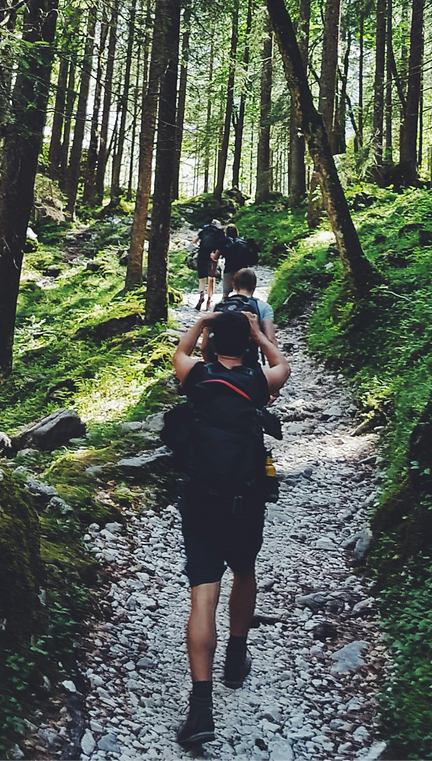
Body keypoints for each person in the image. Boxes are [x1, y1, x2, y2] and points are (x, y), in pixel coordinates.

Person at [171, 311, 291, 748]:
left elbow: (179, 352)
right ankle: (235, 659)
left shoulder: (197, 377)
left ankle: (201, 708)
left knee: (203, 593)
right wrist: (261, 334)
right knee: (244, 570)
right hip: (246, 498)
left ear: (212, 342)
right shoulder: (260, 383)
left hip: (201, 498)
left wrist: (202, 323)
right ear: (248, 347)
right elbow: (283, 366)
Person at [200, 267, 277, 367]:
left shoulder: (218, 307)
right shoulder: (264, 307)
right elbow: (270, 339)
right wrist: (274, 368)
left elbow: (204, 345)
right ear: (254, 287)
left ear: (234, 286)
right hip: (249, 364)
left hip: (219, 363)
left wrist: (209, 365)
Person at [217, 224, 258, 298]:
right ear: (237, 232)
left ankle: (224, 305)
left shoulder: (224, 242)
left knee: (225, 294)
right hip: (241, 270)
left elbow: (215, 257)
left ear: (226, 232)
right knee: (243, 290)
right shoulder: (243, 242)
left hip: (229, 269)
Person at [194, 219, 224, 311]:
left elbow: (194, 242)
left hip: (202, 254)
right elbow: (222, 246)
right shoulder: (219, 232)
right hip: (213, 255)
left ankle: (201, 295)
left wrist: (199, 247)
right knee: (211, 278)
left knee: (202, 278)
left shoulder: (204, 230)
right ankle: (209, 300)